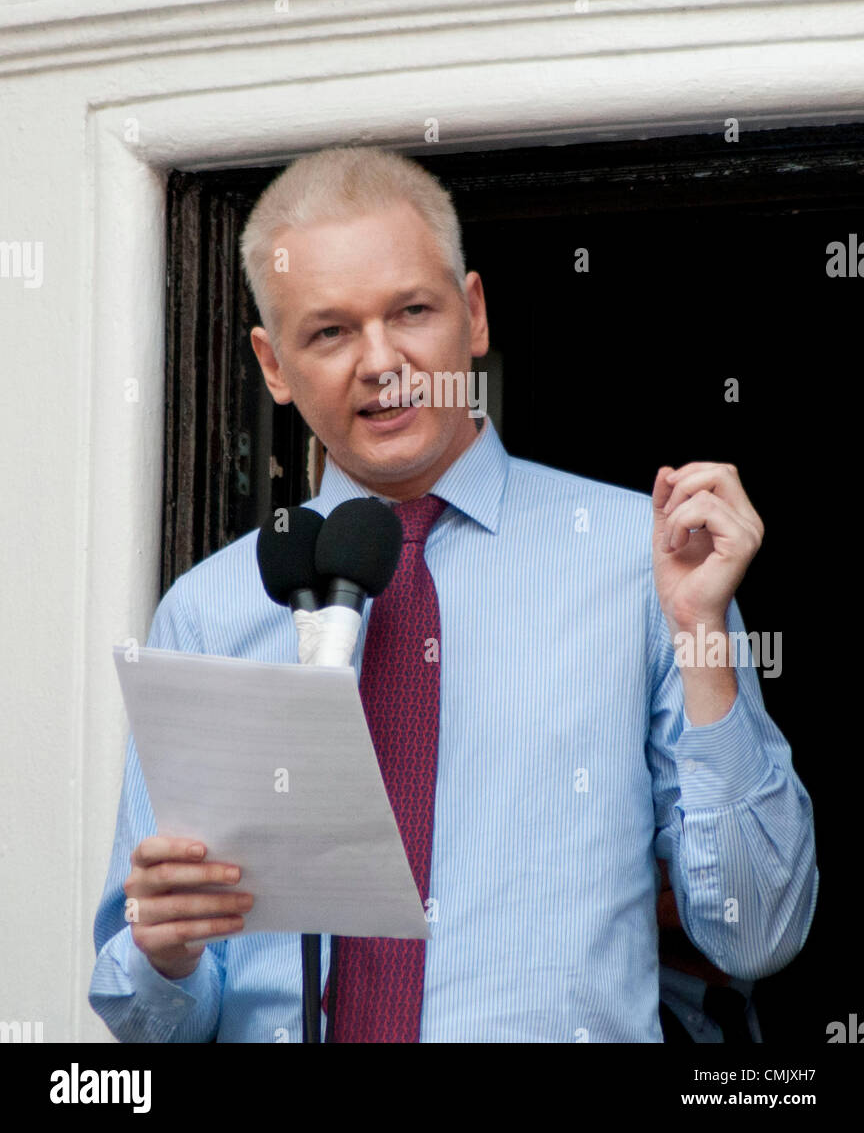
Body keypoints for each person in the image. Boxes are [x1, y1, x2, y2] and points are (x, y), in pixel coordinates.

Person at [89, 146, 818, 1042]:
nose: (381, 360)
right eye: (329, 332)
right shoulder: (208, 609)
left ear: (472, 315)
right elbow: (153, 1022)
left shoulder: (647, 564)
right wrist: (167, 955)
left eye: (412, 312)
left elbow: (758, 934)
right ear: (272, 365)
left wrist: (701, 634)